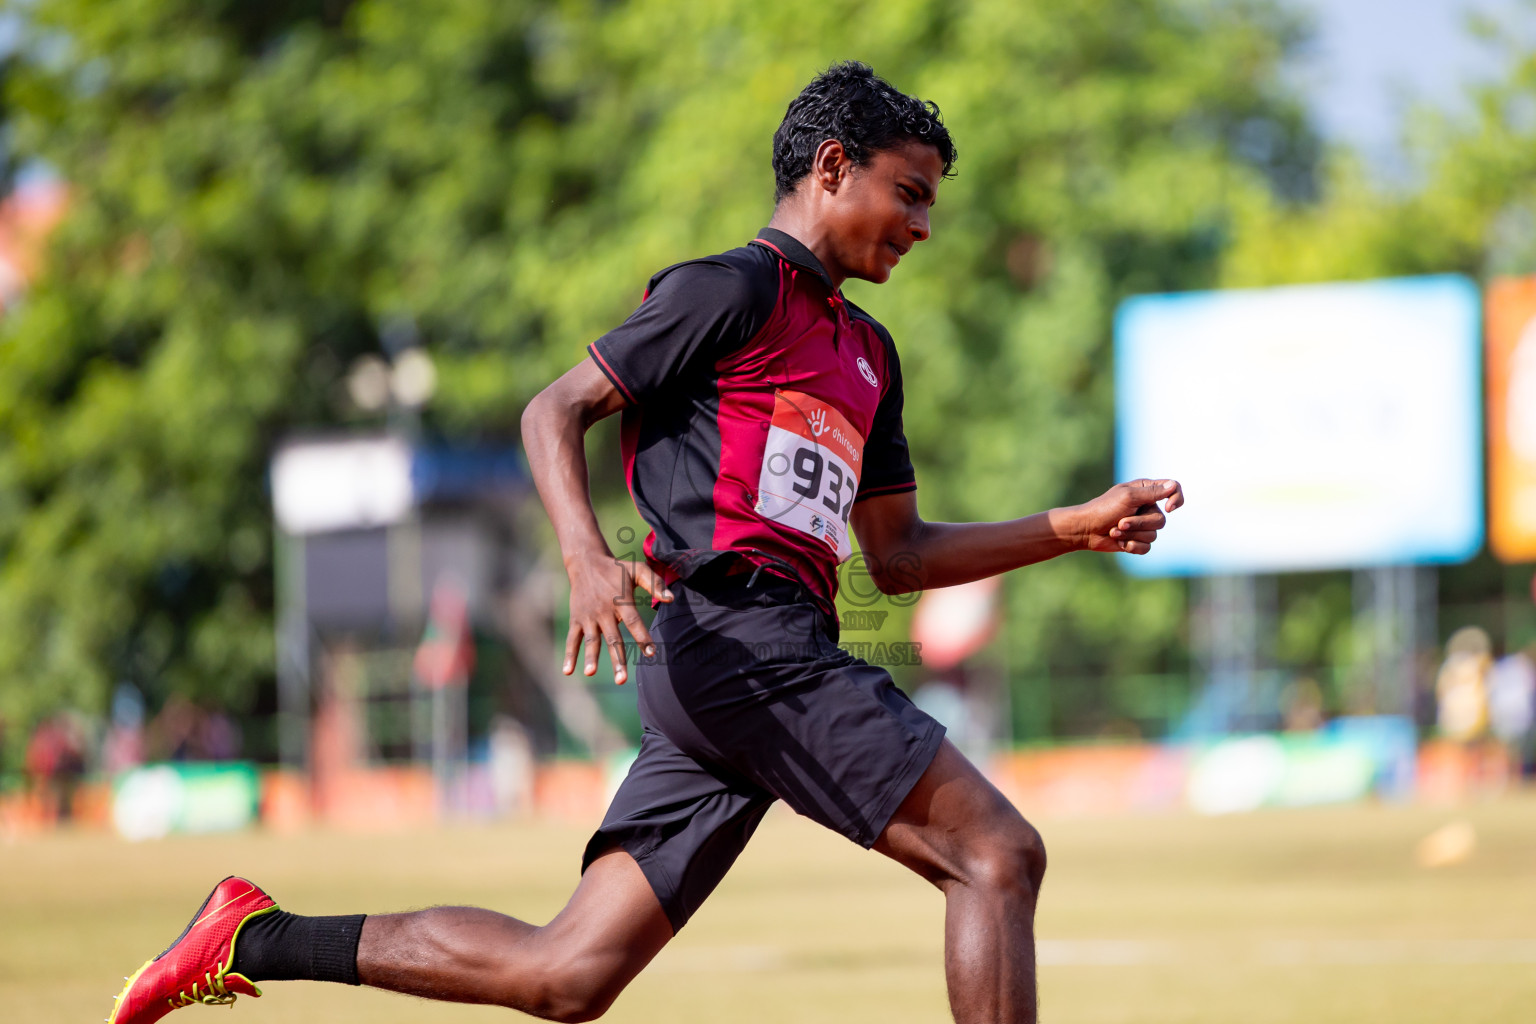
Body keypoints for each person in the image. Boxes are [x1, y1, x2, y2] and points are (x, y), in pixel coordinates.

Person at [106, 61, 1182, 1024]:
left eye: (931, 203)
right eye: (909, 193)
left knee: (567, 974)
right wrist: (585, 555)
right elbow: (554, 408)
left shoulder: (869, 354)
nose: (923, 225)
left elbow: (897, 558)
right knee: (996, 853)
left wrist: (1072, 528)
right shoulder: (731, 288)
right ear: (832, 167)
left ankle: (253, 936)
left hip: (739, 667)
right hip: (740, 643)